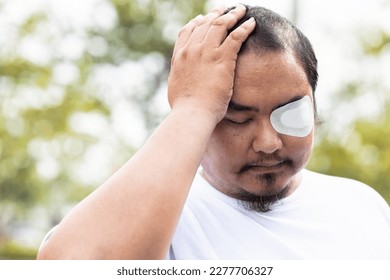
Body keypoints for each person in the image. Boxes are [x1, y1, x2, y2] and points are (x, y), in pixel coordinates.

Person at [37, 4, 390, 260]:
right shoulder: (163, 219)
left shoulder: (363, 207)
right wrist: (193, 105)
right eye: (237, 118)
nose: (268, 142)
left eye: (290, 112)